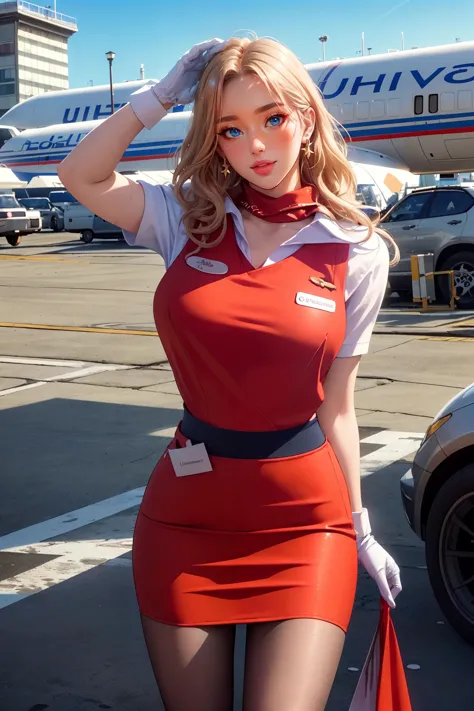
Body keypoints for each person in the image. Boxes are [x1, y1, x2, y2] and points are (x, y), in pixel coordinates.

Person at [58, 36, 403, 711]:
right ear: (215, 141)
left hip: (305, 524)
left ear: (306, 116)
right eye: (232, 129)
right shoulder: (185, 217)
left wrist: (360, 525)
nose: (258, 145)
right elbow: (82, 176)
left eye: (273, 117)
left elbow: (337, 404)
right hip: (186, 522)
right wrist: (158, 97)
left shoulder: (356, 250)